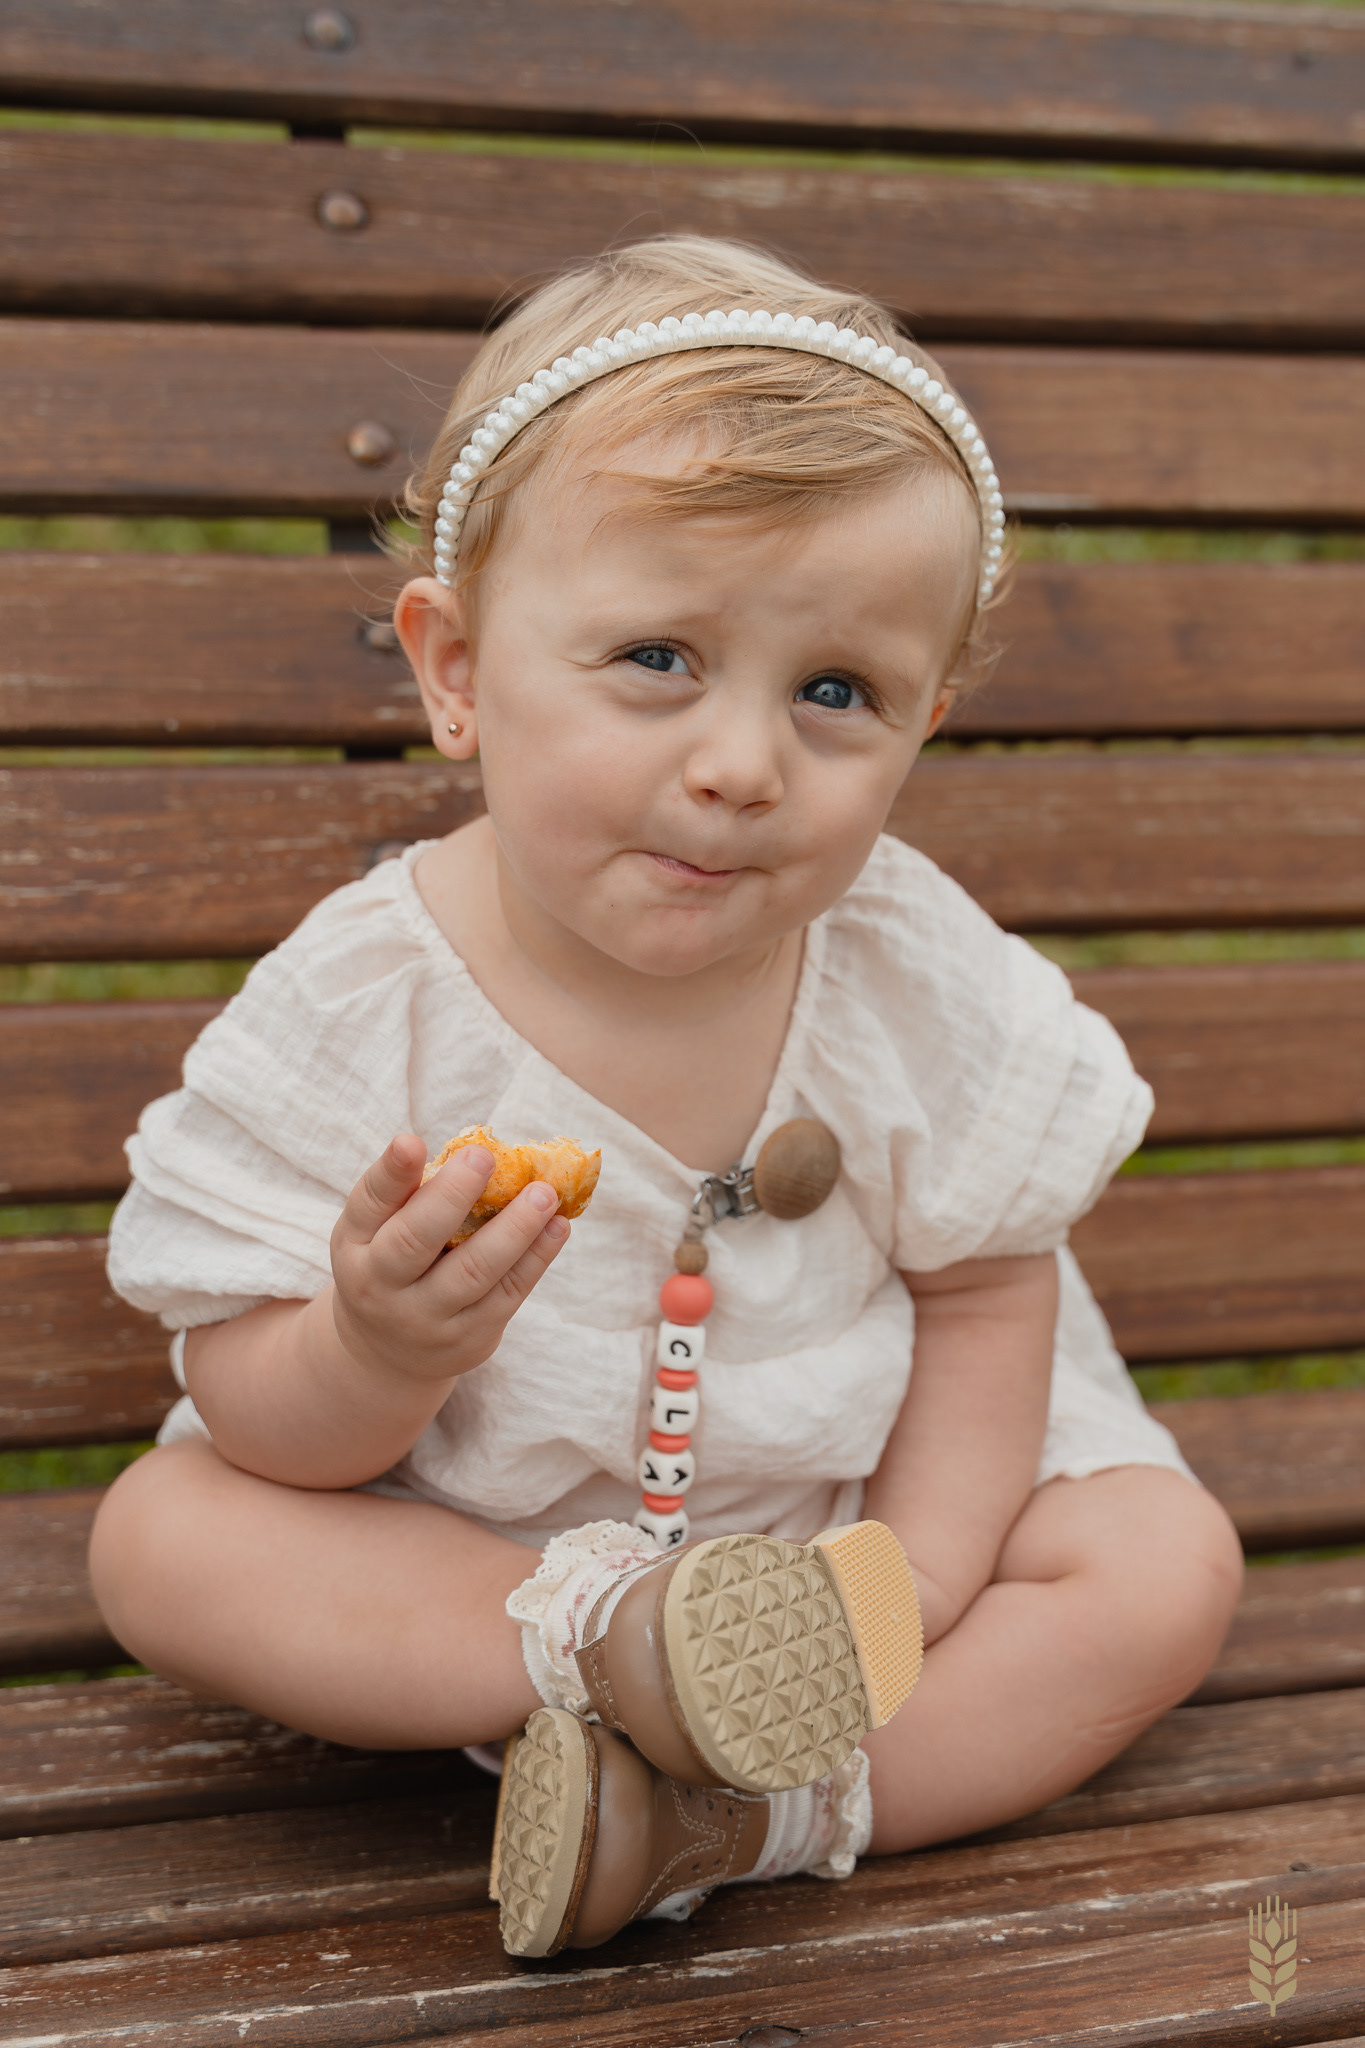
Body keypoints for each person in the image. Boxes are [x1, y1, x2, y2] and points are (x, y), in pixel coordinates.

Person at [90, 236, 1242, 1958]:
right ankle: (620, 1666)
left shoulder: (909, 969)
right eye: (655, 657)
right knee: (164, 1541)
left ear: (924, 719)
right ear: (457, 670)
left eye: (836, 693)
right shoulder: (364, 1002)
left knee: (1160, 1564)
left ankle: (740, 1811)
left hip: (850, 1520)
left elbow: (991, 1289)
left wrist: (909, 1591)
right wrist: (376, 1349)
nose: (740, 764)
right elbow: (260, 1419)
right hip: (483, 1572)